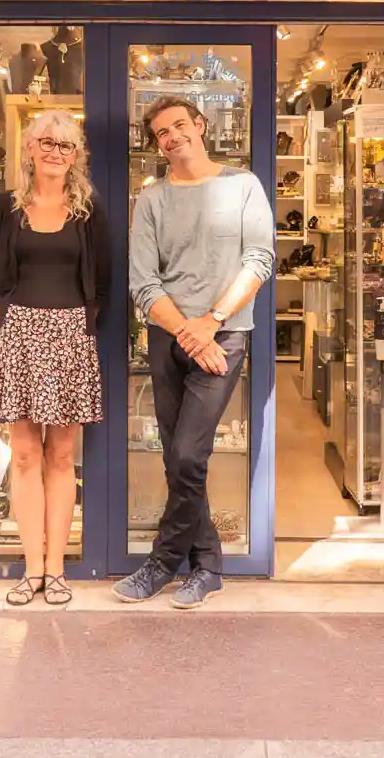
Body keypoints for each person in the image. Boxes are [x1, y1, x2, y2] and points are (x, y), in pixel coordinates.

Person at [115, 95, 274, 608]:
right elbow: (143, 281)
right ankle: (207, 565)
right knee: (177, 457)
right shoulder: (152, 199)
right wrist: (189, 330)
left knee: (187, 453)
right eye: (162, 132)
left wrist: (212, 322)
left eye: (180, 125)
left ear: (201, 125)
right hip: (170, 337)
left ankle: (163, 562)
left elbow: (259, 260)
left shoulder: (243, 185)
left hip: (223, 335)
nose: (172, 137)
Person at [0, 109, 110, 606]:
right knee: (24, 455)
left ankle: (56, 568)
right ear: (30, 149)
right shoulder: (5, 207)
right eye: (47, 143)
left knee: (60, 455)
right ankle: (31, 567)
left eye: (66, 145)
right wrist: (10, 324)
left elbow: (103, 279)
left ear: (76, 156)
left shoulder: (88, 210)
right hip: (19, 334)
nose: (56, 152)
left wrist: (78, 326)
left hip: (71, 335)